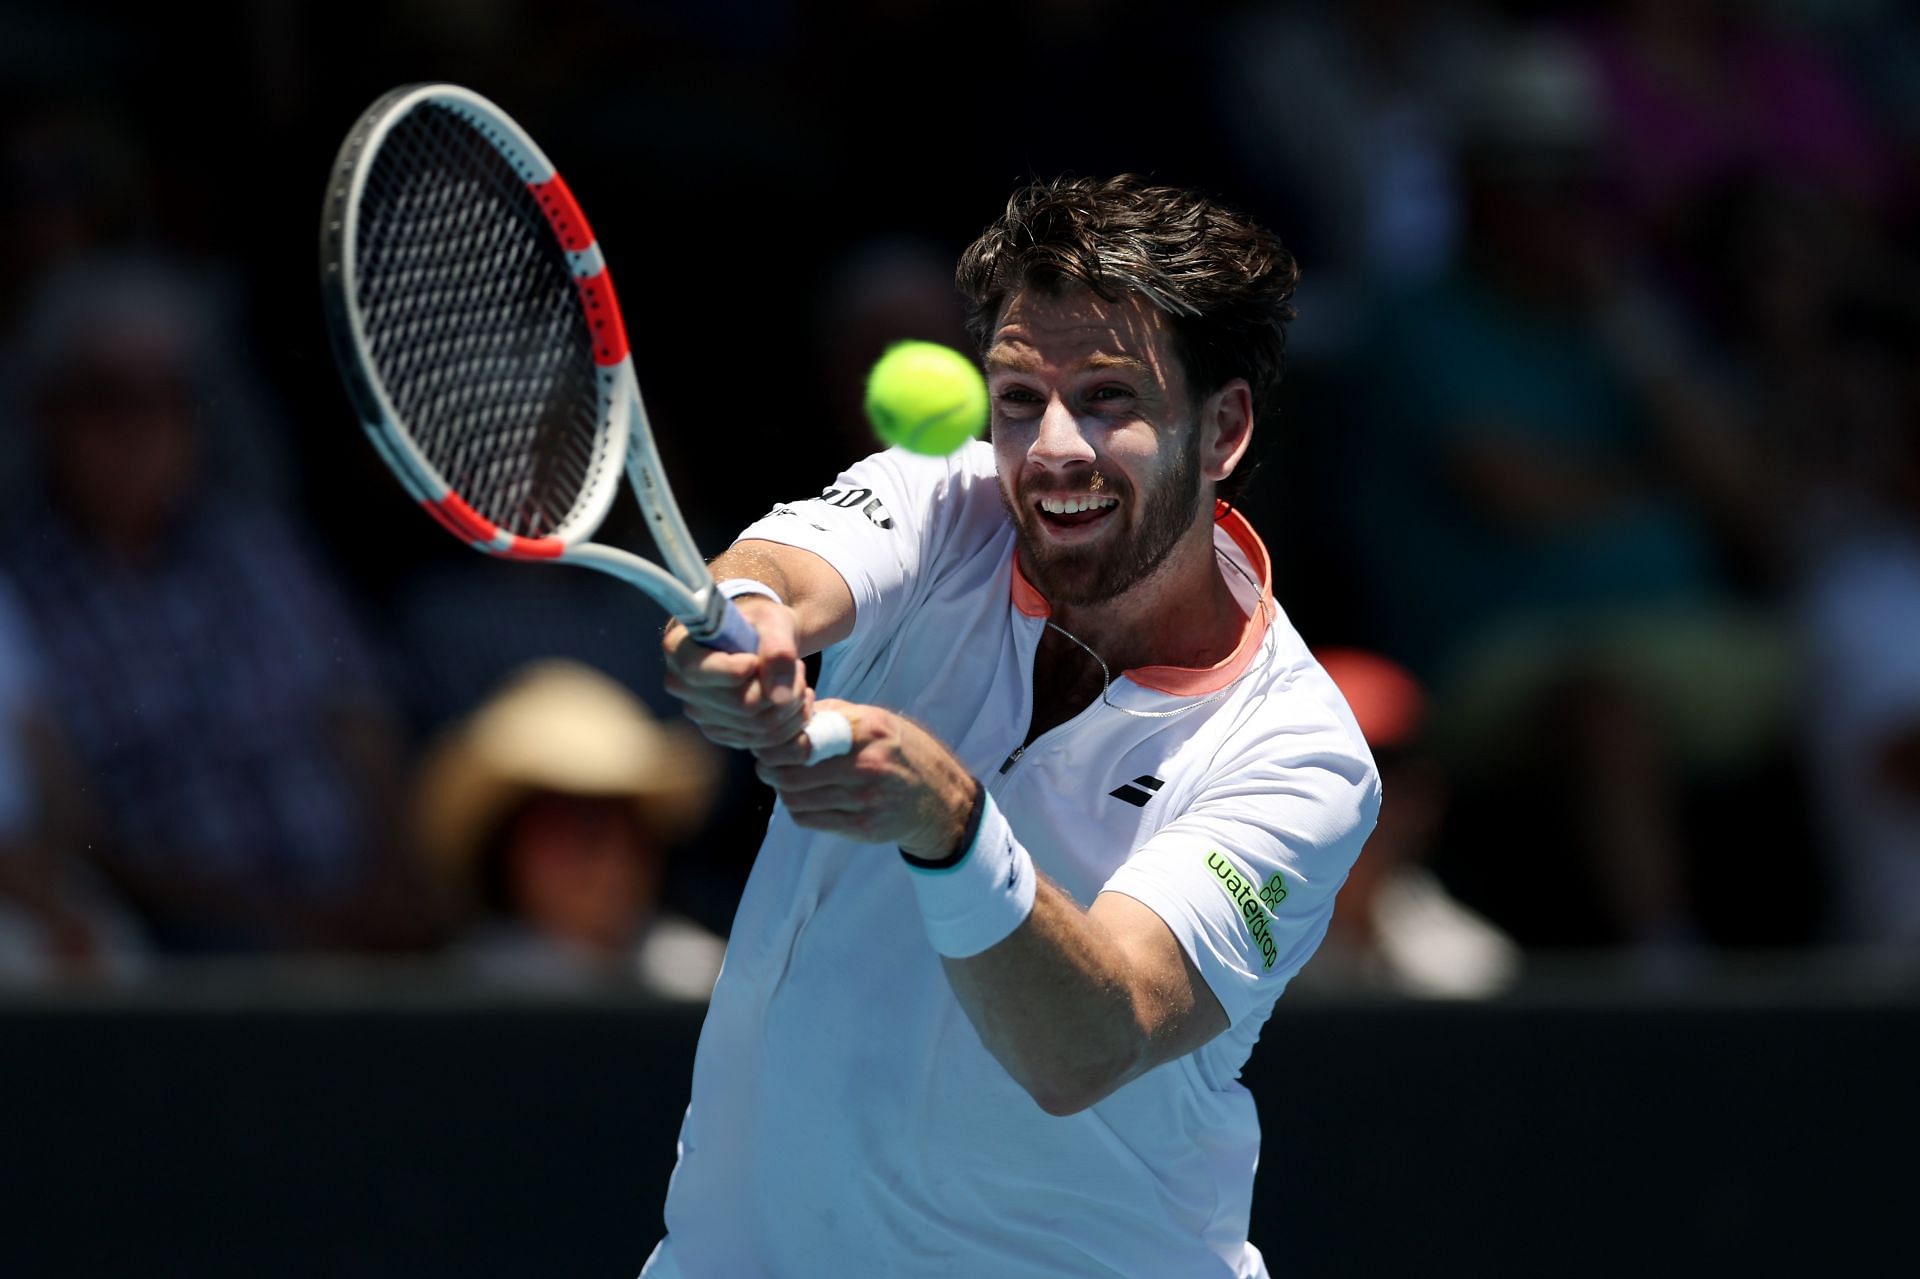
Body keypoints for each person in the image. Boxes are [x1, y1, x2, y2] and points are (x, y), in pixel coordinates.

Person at [646, 176, 1379, 1277]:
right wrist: (743, 633)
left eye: (1108, 397)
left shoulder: (1301, 755)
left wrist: (951, 823)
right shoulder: (948, 500)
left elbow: (1092, 1040)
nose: (1052, 449)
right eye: (1021, 397)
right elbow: (777, 575)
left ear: (1222, 427)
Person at [410, 660, 725, 995]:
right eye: (576, 828)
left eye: (626, 828)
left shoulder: (707, 981)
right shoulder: (462, 992)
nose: (610, 859)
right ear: (509, 847)